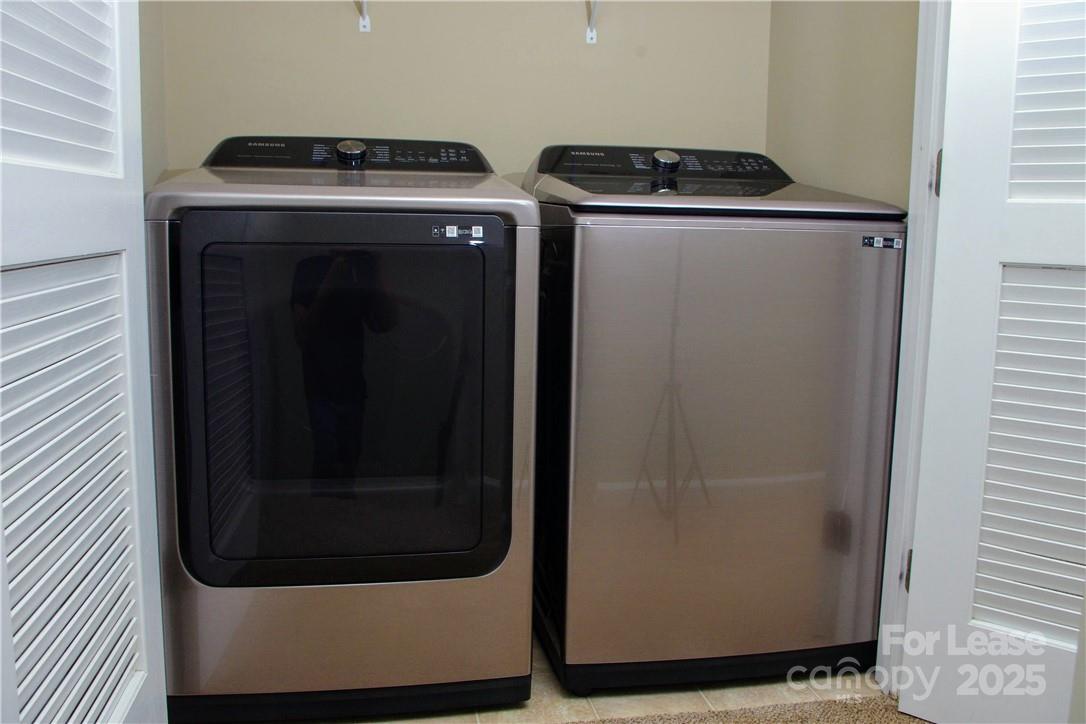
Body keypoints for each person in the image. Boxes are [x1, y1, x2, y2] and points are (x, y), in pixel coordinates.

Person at [290, 250, 397, 494]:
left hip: (354, 384)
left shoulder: (363, 267)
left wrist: (378, 267)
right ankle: (321, 522)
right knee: (325, 457)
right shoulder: (310, 266)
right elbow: (303, 335)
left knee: (350, 460)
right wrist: (330, 280)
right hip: (319, 385)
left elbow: (386, 323)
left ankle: (344, 518)